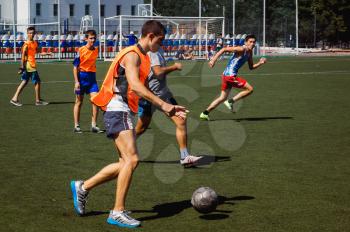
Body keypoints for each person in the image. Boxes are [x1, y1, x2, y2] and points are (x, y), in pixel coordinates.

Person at [70, 20, 187, 228]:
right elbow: (135, 84)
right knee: (132, 160)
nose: (161, 45)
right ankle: (117, 212)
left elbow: (143, 86)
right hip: (117, 108)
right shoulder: (132, 54)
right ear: (150, 36)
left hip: (122, 110)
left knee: (124, 163)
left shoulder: (142, 57)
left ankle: (83, 187)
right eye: (160, 41)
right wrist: (164, 105)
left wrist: (167, 104)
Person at [136, 48, 202, 166]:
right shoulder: (153, 52)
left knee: (181, 120)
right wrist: (174, 67)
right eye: (161, 35)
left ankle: (184, 156)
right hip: (150, 96)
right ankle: (125, 147)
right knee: (141, 128)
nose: (163, 37)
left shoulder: (159, 50)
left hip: (164, 95)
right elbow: (158, 72)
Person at [200, 34, 267, 121]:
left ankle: (204, 113)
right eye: (250, 42)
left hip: (226, 76)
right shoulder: (241, 49)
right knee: (250, 89)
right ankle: (230, 101)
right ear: (246, 42)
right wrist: (213, 59)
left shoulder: (249, 53)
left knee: (222, 97)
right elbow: (224, 49)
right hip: (229, 76)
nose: (252, 44)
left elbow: (251, 67)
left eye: (254, 42)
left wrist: (260, 63)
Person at [10, 27, 52, 106]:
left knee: (24, 82)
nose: (31, 34)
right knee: (37, 82)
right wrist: (22, 67)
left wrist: (47, 53)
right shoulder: (26, 44)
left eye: (33, 33)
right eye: (30, 33)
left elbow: (39, 52)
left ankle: (14, 99)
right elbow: (23, 56)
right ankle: (38, 101)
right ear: (27, 33)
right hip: (29, 65)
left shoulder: (35, 43)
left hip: (31, 65)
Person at [72, 30, 102, 133]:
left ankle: (94, 125)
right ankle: (76, 126)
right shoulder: (80, 50)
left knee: (96, 101)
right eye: (91, 38)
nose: (93, 40)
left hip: (92, 78)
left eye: (94, 38)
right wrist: (77, 82)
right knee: (79, 102)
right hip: (81, 77)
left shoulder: (96, 50)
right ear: (86, 39)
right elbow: (75, 67)